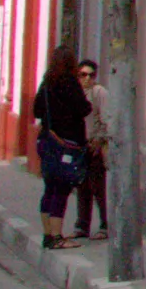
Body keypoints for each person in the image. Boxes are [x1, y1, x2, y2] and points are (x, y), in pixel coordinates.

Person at [31, 46, 92, 250]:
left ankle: (48, 234)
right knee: (62, 189)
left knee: (49, 188)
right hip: (67, 144)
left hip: (47, 140)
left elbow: (37, 110)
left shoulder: (46, 83)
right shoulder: (70, 84)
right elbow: (84, 109)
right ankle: (57, 236)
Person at [75, 59, 110, 242]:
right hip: (80, 146)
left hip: (95, 145)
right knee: (82, 186)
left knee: (98, 187)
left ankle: (105, 224)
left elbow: (106, 119)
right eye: (83, 74)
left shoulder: (99, 93)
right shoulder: (77, 93)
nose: (87, 78)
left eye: (91, 75)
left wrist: (99, 140)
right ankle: (82, 224)